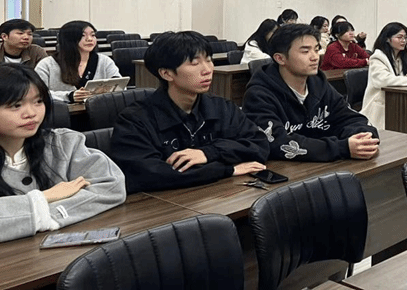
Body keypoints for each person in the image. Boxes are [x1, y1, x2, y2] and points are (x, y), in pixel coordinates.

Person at [110, 32, 269, 194]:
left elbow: (259, 144)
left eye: (209, 60)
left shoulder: (222, 108)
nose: (207, 70)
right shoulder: (135, 120)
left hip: (216, 195)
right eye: (194, 63)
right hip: (164, 203)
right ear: (166, 73)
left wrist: (208, 153)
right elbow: (149, 175)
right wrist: (226, 169)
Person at [0, 64, 125, 243]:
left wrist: (46, 216)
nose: (31, 113)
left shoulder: (62, 142)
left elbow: (111, 185)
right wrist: (45, 197)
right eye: (16, 105)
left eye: (38, 101)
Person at [243, 24, 379, 161]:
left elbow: (350, 118)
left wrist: (363, 139)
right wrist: (342, 148)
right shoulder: (259, 95)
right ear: (280, 58)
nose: (315, 57)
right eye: (305, 51)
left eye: (316, 49)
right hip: (285, 170)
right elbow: (278, 143)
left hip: (323, 165)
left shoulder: (319, 84)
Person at [361, 22, 407, 129]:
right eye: (399, 37)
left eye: (405, 38)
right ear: (387, 39)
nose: (403, 41)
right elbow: (385, 81)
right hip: (381, 105)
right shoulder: (378, 57)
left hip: (402, 101)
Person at [35, 21, 121, 103]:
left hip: (100, 110)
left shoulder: (104, 61)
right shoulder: (46, 65)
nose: (90, 39)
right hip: (61, 111)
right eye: (83, 35)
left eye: (93, 35)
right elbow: (37, 94)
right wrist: (69, 96)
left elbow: (121, 87)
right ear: (69, 39)